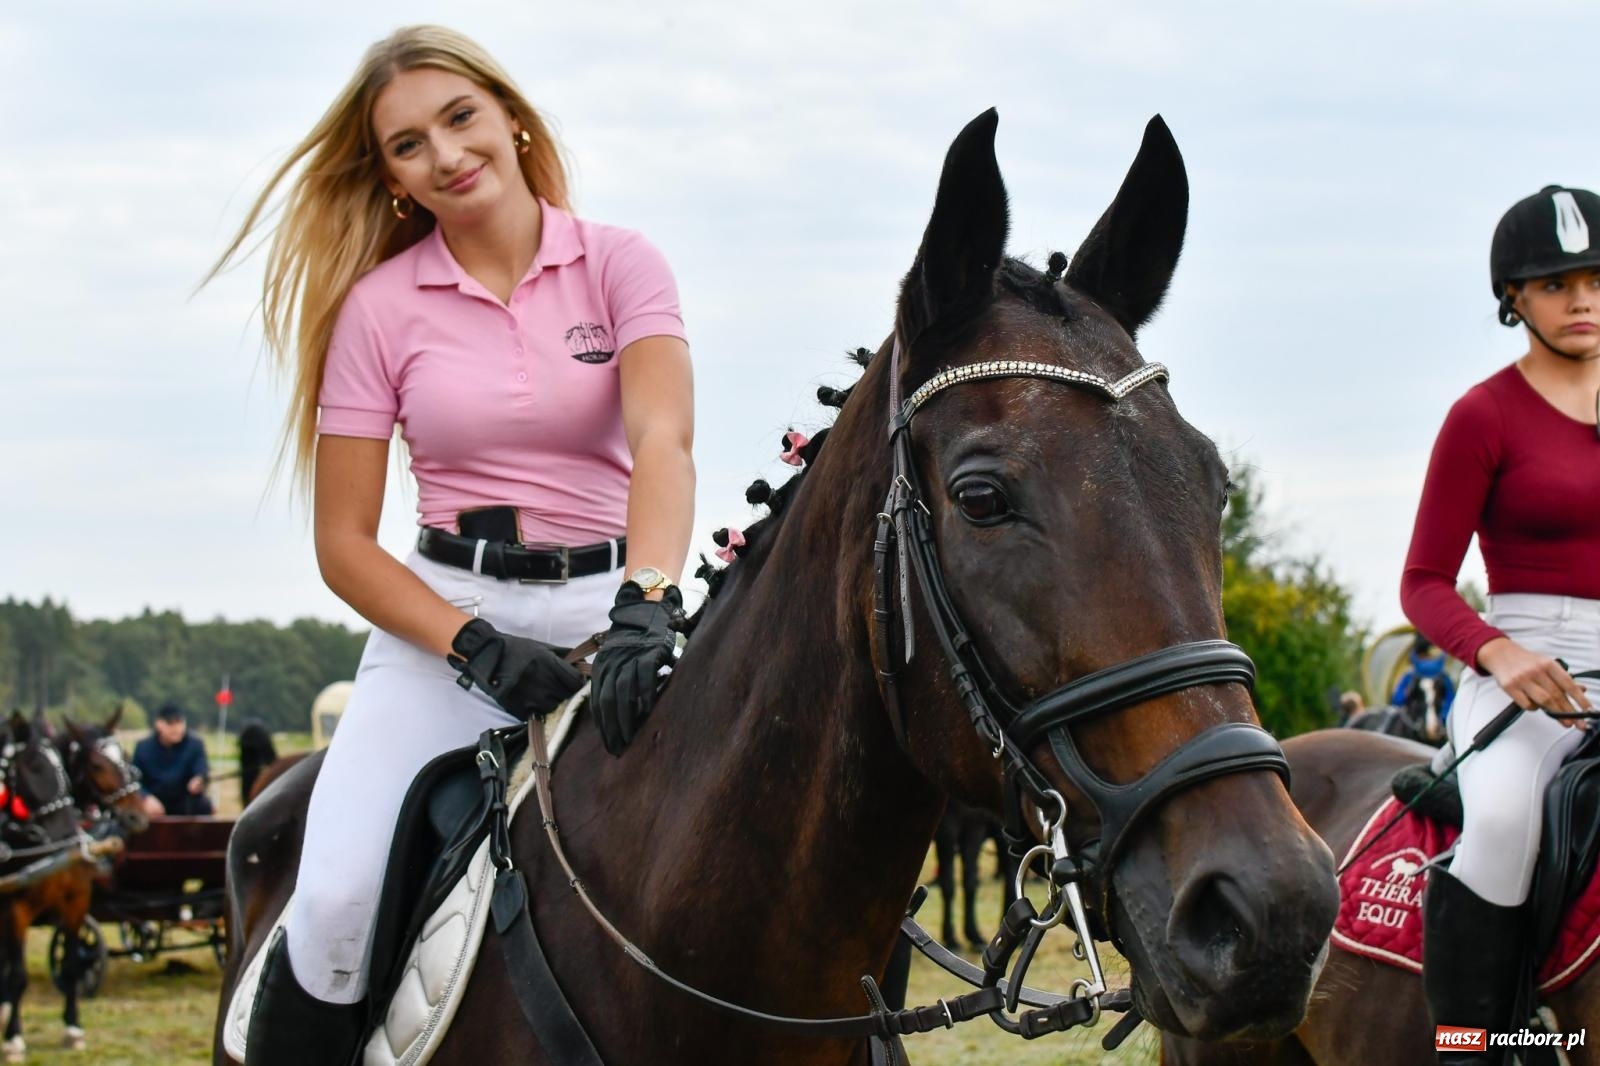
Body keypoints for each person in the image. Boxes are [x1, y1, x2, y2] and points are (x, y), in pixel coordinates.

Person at [205, 26, 694, 1062]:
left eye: (460, 117)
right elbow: (344, 543)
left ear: (511, 117)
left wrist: (649, 602)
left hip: (612, 614)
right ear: (391, 179)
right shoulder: (377, 310)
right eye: (408, 144)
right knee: (331, 902)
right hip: (446, 634)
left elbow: (663, 440)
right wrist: (472, 646)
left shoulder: (620, 261)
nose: (446, 153)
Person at [1400, 184, 1600, 1062]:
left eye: (1597, 280)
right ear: (1513, 297)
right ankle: (1478, 1042)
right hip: (1525, 675)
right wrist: (1497, 650)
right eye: (1557, 284)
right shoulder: (1482, 415)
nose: (1583, 300)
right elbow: (1422, 583)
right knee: (1508, 819)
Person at [131, 703, 213, 817]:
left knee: (205, 808)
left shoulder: (195, 744)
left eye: (180, 723)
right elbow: (135, 780)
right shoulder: (143, 747)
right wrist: (145, 797)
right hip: (154, 803)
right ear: (159, 724)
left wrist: (199, 780)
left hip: (186, 803)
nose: (176, 729)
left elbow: (201, 768)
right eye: (171, 724)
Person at [1387, 633, 1456, 725]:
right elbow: (1451, 700)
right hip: (1430, 721)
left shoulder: (1410, 675)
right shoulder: (1442, 676)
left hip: (1418, 722)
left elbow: (1396, 700)